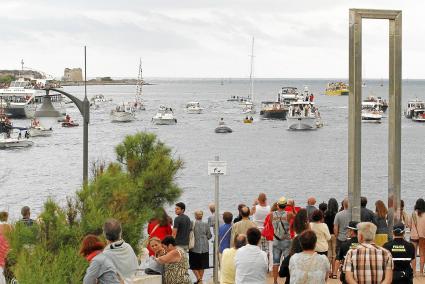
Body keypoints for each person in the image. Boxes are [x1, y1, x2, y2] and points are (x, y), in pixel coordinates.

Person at [271, 197, 292, 284]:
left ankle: (275, 281)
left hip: (276, 239)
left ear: (278, 205)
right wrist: (293, 207)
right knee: (288, 262)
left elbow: (273, 224)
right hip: (286, 240)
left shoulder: (272, 214)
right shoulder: (289, 214)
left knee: (275, 262)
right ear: (285, 205)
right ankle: (288, 280)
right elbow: (297, 215)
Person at [189, 210, 212, 283]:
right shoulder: (206, 224)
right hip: (204, 247)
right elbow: (209, 235)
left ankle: (199, 279)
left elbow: (189, 234)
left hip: (194, 247)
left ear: (195, 216)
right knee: (202, 265)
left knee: (193, 264)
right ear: (202, 216)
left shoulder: (192, 223)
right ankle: (200, 280)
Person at [333, 198, 350, 278]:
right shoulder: (353, 214)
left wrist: (336, 235)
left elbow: (336, 227)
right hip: (350, 237)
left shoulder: (338, 214)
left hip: (341, 237)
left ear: (343, 205)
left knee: (338, 255)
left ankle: (335, 273)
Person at [410, 198, 425, 275]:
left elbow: (409, 225)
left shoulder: (413, 214)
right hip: (423, 236)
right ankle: (422, 272)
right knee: (422, 254)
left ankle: (414, 272)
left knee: (413, 254)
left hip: (414, 236)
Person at [324, 198, 338, 277]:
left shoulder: (325, 213)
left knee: (329, 254)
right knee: (334, 254)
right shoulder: (337, 214)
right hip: (335, 235)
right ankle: (334, 272)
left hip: (328, 234)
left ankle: (328, 272)